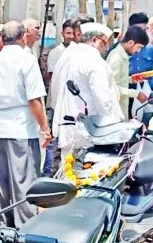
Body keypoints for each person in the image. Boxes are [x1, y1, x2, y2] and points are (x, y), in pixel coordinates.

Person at [0, 20, 49, 228]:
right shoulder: (26, 60)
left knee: (2, 182)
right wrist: (45, 127)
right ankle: (25, 228)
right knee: (24, 181)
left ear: (2, 38)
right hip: (22, 127)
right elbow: (34, 100)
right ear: (22, 37)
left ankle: (3, 226)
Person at [51, 22, 124, 156]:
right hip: (92, 131)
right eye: (104, 42)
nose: (106, 47)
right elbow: (103, 99)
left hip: (69, 126)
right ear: (94, 40)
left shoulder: (68, 57)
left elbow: (54, 92)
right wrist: (112, 128)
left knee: (68, 173)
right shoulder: (94, 61)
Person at [42, 19, 82, 177]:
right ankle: (49, 173)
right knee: (54, 141)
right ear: (62, 34)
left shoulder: (79, 53)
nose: (71, 37)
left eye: (74, 34)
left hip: (74, 106)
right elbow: (52, 78)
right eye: (68, 33)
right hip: (57, 103)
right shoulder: (55, 53)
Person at [107, 26, 150, 118]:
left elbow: (118, 80)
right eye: (139, 47)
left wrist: (131, 79)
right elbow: (111, 88)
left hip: (121, 109)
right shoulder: (117, 58)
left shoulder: (122, 55)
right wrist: (136, 94)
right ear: (131, 43)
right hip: (115, 112)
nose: (139, 51)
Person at [127, 13, 153, 116]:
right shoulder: (120, 49)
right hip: (126, 94)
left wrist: (149, 90)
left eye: (144, 29)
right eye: (138, 29)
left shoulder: (149, 49)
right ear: (129, 29)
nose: (141, 33)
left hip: (145, 95)